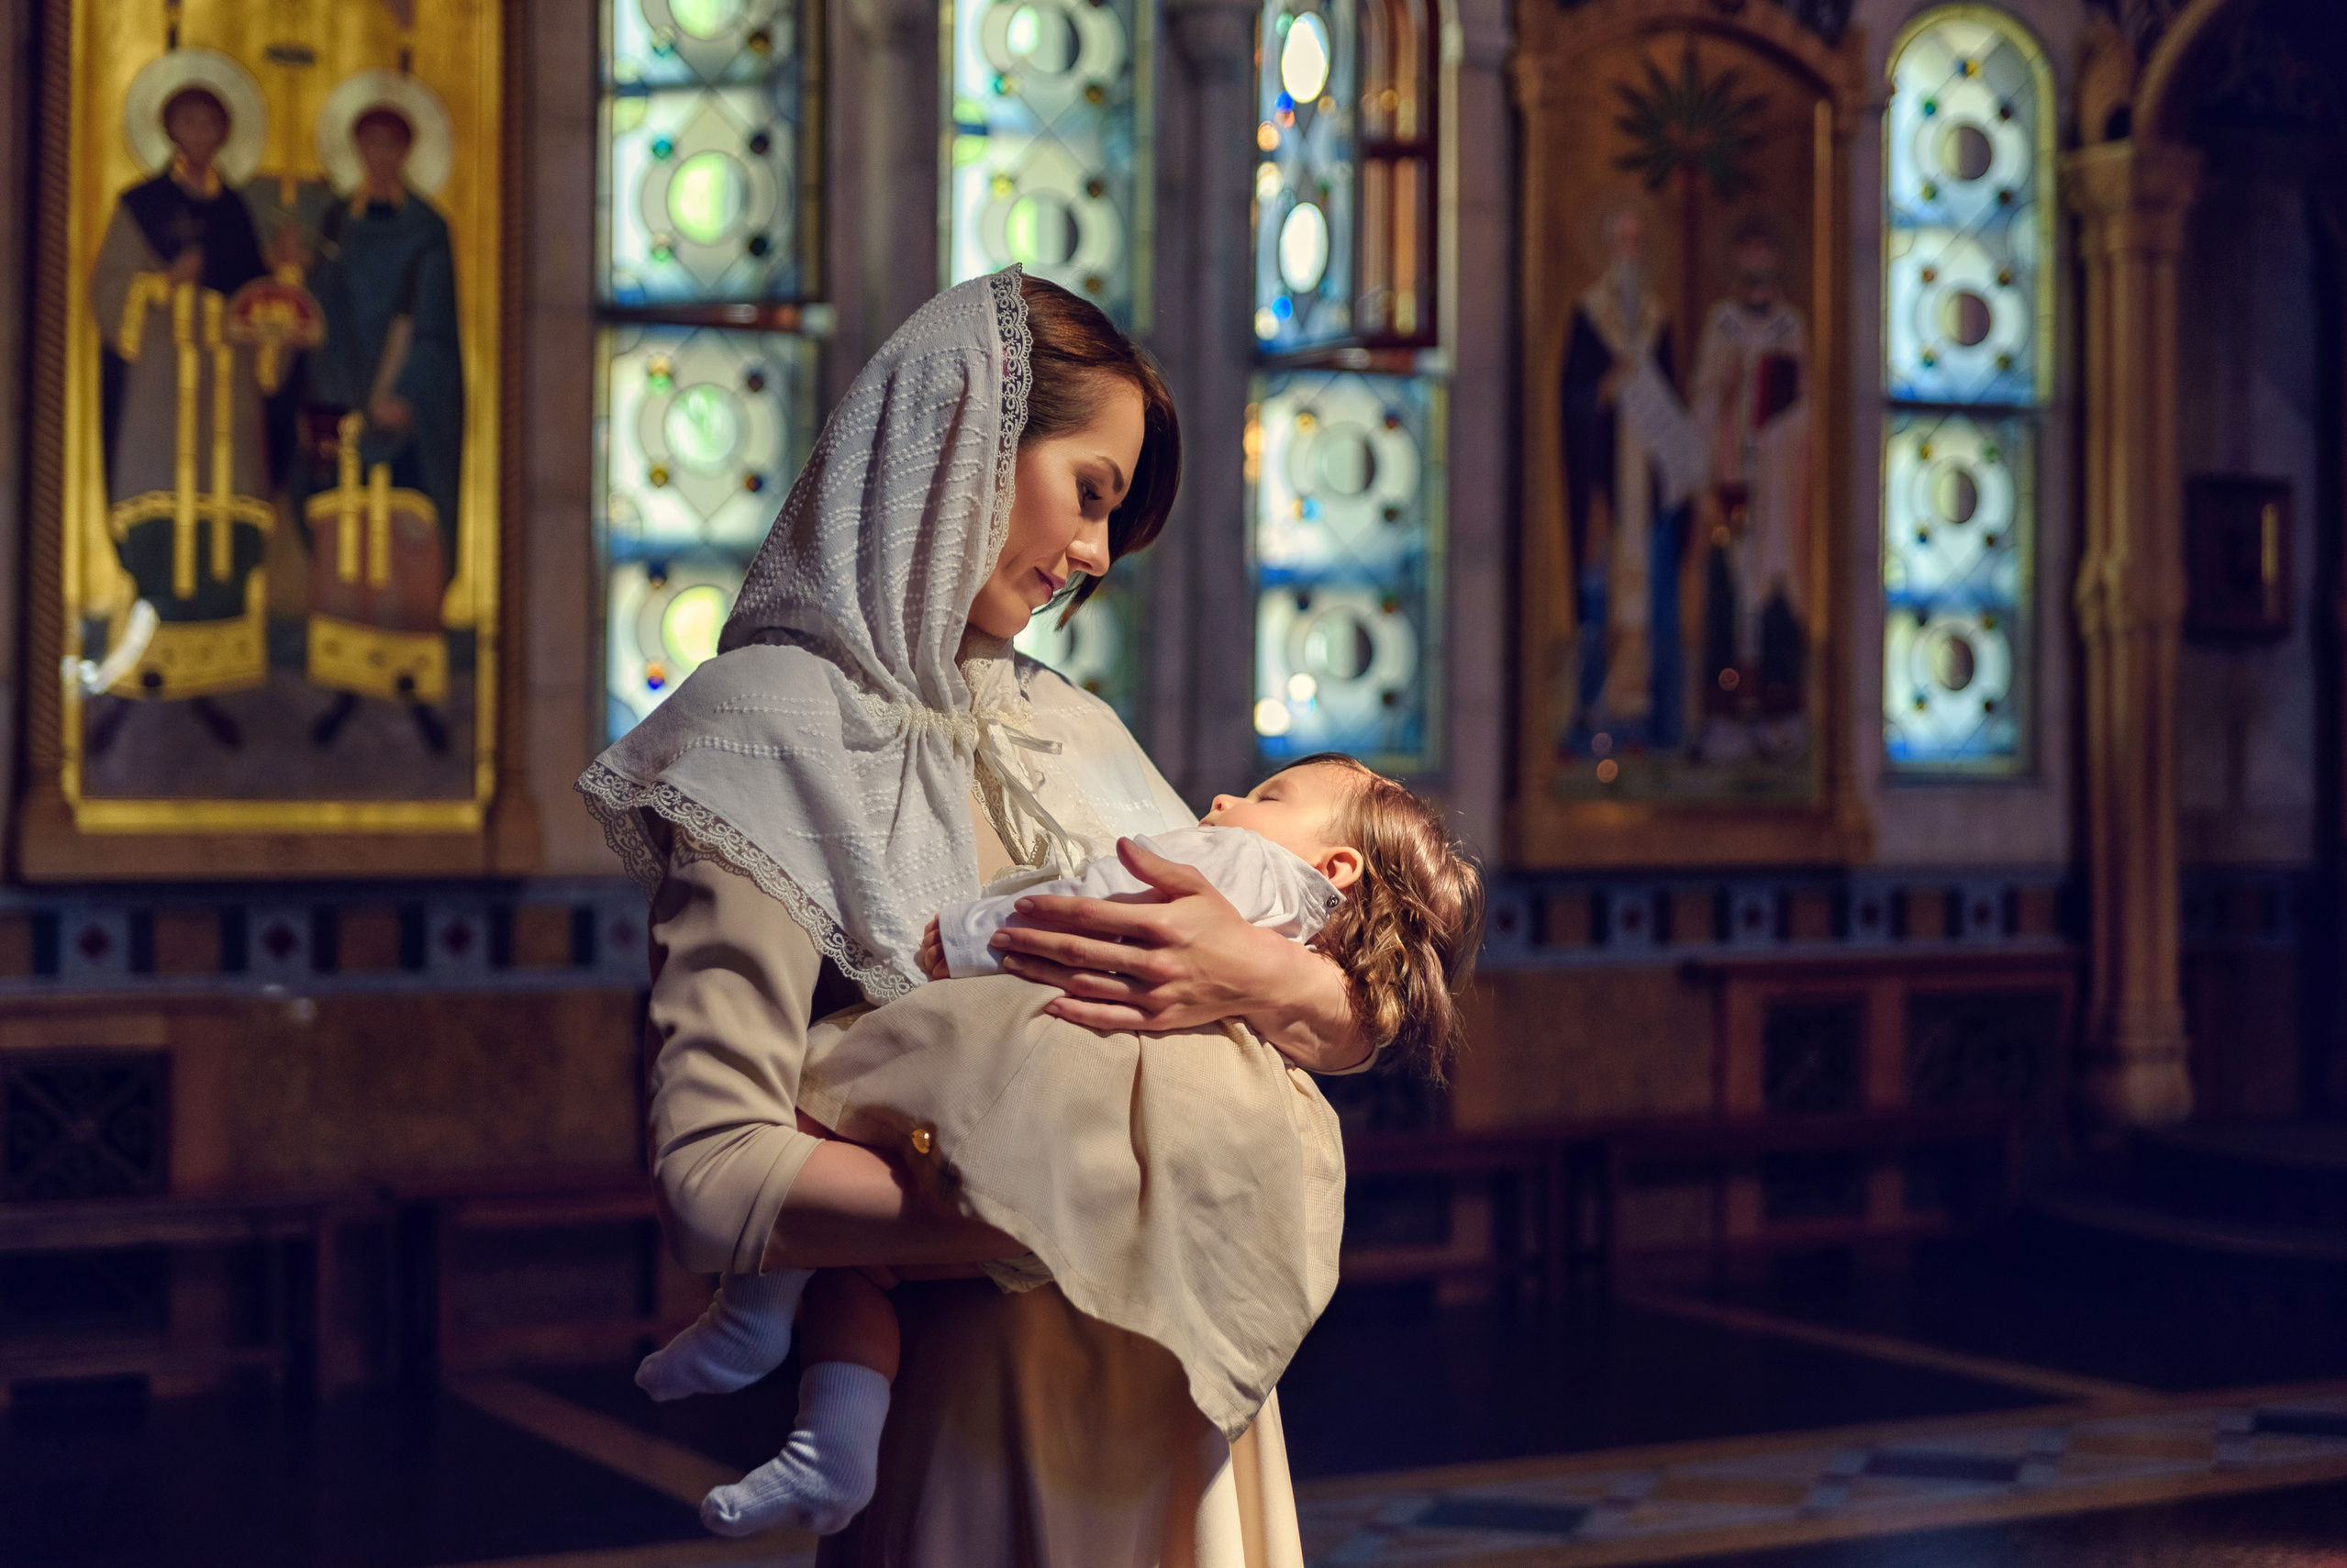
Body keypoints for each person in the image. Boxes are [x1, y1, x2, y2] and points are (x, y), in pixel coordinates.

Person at [579, 268, 1378, 1566]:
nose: (1092, 558)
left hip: (1191, 1400)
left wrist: (1261, 979)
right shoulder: (760, 727)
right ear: (960, 434)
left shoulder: (1071, 725)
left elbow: (1339, 1010)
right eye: (1091, 493)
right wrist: (1054, 1209)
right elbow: (711, 1178)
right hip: (982, 1420)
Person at [631, 753, 1482, 1539]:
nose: (1225, 801)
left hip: (1071, 1167)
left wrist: (968, 936)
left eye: (1267, 797)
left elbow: (1098, 900)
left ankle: (783, 1363)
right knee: (858, 1262)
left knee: (834, 1143)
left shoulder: (1234, 852)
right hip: (1092, 1320)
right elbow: (712, 1172)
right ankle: (820, 1423)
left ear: (1338, 868)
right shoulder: (767, 738)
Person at [88, 84, 280, 747]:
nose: (199, 134)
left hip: (228, 394)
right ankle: (142, 669)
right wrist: (161, 285)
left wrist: (275, 304)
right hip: (160, 395)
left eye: (211, 122)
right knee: (159, 525)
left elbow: (262, 305)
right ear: (170, 130)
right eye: (187, 122)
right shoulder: (139, 207)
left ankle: (212, 684)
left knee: (229, 534)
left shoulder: (236, 211)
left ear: (224, 134)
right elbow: (108, 289)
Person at [297, 103, 464, 752]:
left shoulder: (428, 231)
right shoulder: (338, 223)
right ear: (357, 150)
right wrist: (337, 393)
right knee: (343, 544)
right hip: (343, 407)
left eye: (392, 144)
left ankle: (410, 681)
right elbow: (320, 308)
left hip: (403, 418)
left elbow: (437, 332)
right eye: (369, 144)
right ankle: (343, 682)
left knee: (405, 545)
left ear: (407, 151)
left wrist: (408, 395)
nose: (380, 156)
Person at [1556, 202, 1702, 758]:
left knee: (1654, 601)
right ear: (1608, 247)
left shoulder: (1658, 320)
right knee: (1604, 596)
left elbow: (1675, 401)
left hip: (1651, 490)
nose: (1630, 251)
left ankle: (1648, 720)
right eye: (1621, 239)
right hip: (1605, 488)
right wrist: (1604, 389)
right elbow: (1571, 398)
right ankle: (1596, 716)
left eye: (1639, 241)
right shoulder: (1590, 316)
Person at [1689, 221, 1809, 762]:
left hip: (1778, 485)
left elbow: (1807, 405)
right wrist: (1728, 392)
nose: (1756, 276)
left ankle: (1779, 709)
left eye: (1765, 265)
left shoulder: (1791, 326)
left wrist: (1781, 425)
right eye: (1748, 266)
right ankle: (1726, 713)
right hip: (1732, 480)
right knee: (1729, 593)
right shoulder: (1724, 324)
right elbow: (1704, 399)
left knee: (1777, 592)